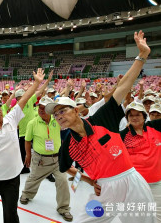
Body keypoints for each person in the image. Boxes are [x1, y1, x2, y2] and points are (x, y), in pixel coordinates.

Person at [45, 30, 155, 223]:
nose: (59, 116)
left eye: (63, 111)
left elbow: (123, 87)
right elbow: (65, 168)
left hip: (131, 181)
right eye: (56, 114)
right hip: (103, 190)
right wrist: (89, 181)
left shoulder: (101, 119)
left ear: (77, 111)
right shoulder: (68, 145)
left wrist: (142, 56)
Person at [0, 69, 45, 223]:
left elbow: (24, 99)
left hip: (12, 178)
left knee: (11, 214)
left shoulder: (11, 118)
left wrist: (37, 82)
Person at [20, 96, 73, 222]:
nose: (41, 110)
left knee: (63, 181)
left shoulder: (57, 121)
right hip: (40, 159)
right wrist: (28, 155)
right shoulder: (32, 123)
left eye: (44, 108)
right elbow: (27, 141)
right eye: (40, 107)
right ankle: (26, 194)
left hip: (57, 160)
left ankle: (64, 208)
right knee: (34, 178)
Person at [117, 102, 161, 222]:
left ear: (144, 116)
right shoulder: (122, 136)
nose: (134, 117)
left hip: (156, 183)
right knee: (134, 215)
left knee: (157, 216)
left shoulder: (156, 127)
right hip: (134, 185)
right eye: (131, 115)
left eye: (138, 115)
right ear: (127, 118)